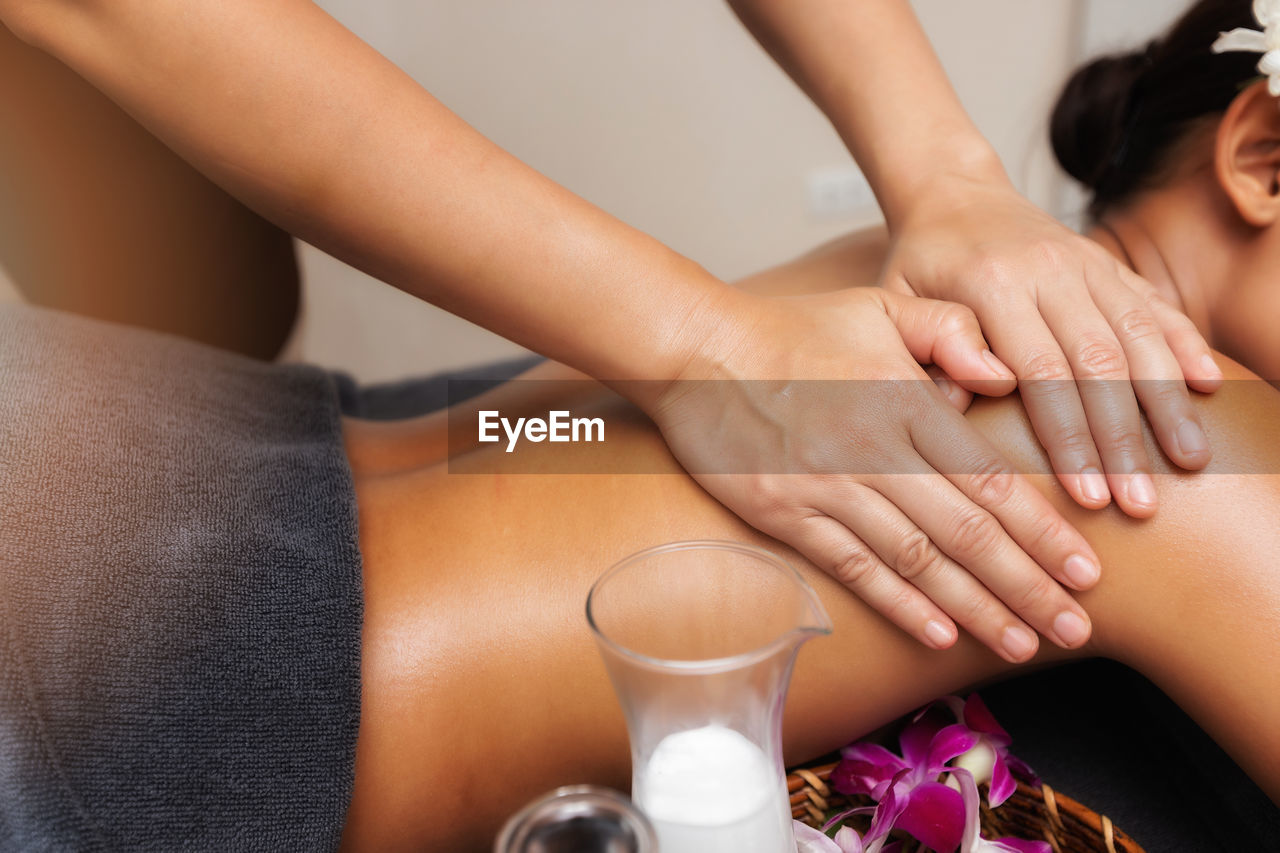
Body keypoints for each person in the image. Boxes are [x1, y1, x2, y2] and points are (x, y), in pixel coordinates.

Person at [4, 3, 1279, 849]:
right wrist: (705, 348)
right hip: (120, 647)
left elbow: (500, 445)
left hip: (176, 455)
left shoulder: (898, 263)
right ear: (1255, 157)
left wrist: (926, 194)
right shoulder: (1182, 439)